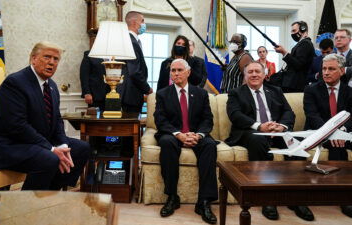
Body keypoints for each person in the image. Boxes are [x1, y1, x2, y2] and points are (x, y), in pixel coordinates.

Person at [0, 41, 91, 190]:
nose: (51, 62)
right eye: (47, 57)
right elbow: (17, 126)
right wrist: (51, 148)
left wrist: (63, 145)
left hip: (35, 143)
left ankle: (50, 195)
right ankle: (29, 205)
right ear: (33, 59)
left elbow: (57, 120)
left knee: (81, 148)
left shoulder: (51, 86)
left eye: (56, 59)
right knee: (49, 158)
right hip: (7, 145)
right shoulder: (15, 83)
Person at [226, 61, 314, 221]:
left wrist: (281, 126)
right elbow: (235, 115)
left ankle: (297, 199)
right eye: (250, 72)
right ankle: (267, 199)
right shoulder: (236, 93)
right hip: (250, 132)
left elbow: (288, 112)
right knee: (257, 141)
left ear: (264, 74)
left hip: (276, 131)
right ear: (244, 76)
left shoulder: (275, 90)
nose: (254, 75)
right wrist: (260, 126)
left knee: (296, 143)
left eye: (257, 72)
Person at [154, 59, 218, 224]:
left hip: (196, 134)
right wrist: (178, 134)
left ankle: (203, 201)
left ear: (188, 72)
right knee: (167, 143)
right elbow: (160, 120)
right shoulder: (162, 94)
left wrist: (198, 135)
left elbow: (207, 120)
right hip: (173, 134)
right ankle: (172, 197)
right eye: (173, 70)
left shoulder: (201, 93)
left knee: (210, 145)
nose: (175, 73)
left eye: (179, 70)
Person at [304, 53, 352, 218]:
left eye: (331, 69)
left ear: (341, 71)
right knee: (336, 146)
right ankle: (344, 198)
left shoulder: (349, 91)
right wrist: (332, 133)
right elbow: (312, 116)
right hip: (318, 133)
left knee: (340, 143)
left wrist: (342, 131)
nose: (326, 72)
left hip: (344, 133)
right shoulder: (311, 90)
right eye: (324, 68)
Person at [121, 11, 153, 113]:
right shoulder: (131, 41)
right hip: (130, 95)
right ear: (135, 23)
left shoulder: (129, 40)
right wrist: (147, 88)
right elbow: (134, 71)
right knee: (130, 128)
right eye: (142, 21)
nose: (144, 24)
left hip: (130, 94)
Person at [274, 21, 315, 92]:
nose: (292, 33)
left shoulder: (305, 43)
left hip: (296, 85)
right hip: (293, 84)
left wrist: (284, 52)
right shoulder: (302, 44)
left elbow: (298, 64)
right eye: (291, 31)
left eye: (294, 30)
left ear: (303, 29)